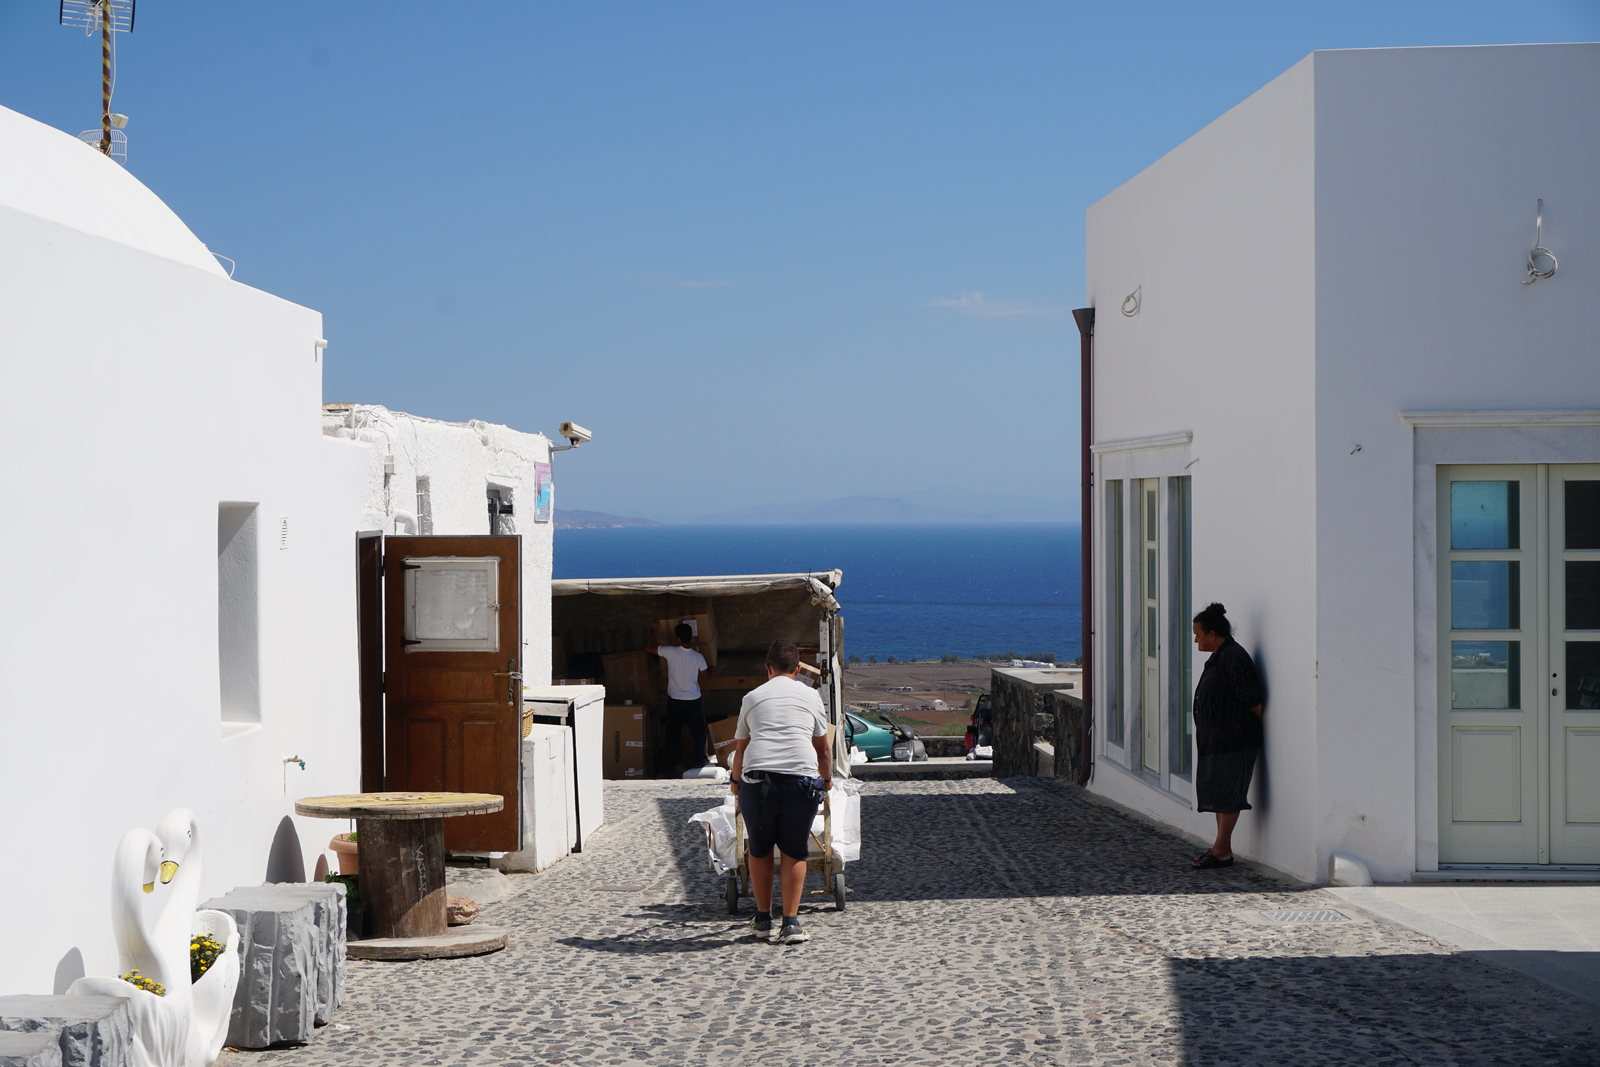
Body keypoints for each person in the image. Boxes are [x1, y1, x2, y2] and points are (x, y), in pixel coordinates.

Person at [729, 638, 832, 944]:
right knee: (794, 849)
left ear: (767, 668)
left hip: (758, 782)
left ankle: (762, 920)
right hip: (800, 782)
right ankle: (791, 923)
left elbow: (741, 749)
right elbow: (823, 749)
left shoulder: (752, 697)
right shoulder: (811, 696)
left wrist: (736, 784)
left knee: (759, 850)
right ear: (798, 668)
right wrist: (826, 780)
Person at [1189, 602, 1264, 869]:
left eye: (1198, 633)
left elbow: (1252, 700)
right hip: (1218, 742)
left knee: (1229, 795)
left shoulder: (1232, 657)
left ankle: (1221, 851)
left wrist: (1237, 727)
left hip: (1234, 742)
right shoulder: (1221, 656)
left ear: (1212, 634)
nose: (1195, 638)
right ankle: (1222, 848)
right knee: (1220, 795)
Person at [647, 622, 711, 775]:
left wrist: (654, 630)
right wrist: (712, 669)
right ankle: (699, 763)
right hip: (694, 700)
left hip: (675, 700)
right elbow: (706, 677)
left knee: (672, 734)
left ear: (678, 639)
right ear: (691, 638)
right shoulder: (698, 656)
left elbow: (648, 648)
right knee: (699, 732)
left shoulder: (670, 652)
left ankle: (670, 768)